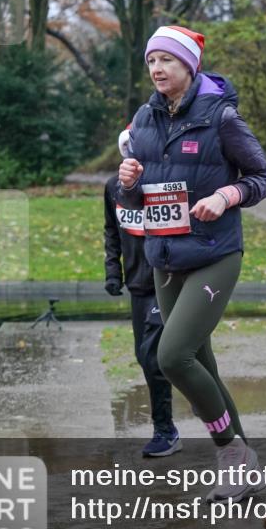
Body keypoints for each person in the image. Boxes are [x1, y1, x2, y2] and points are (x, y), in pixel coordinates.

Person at [116, 25, 266, 500]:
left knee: (172, 356)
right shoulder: (144, 118)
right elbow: (136, 194)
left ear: (189, 65)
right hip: (163, 256)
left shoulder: (221, 117)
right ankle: (240, 461)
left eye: (167, 60)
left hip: (213, 254)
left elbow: (262, 175)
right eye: (151, 62)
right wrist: (127, 180)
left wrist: (226, 195)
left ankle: (230, 450)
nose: (158, 69)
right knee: (201, 362)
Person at [104, 173, 179, 456]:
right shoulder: (113, 187)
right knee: (144, 357)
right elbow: (111, 230)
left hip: (170, 280)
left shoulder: (165, 182)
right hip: (138, 284)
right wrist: (113, 271)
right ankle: (189, 416)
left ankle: (165, 430)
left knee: (154, 355)